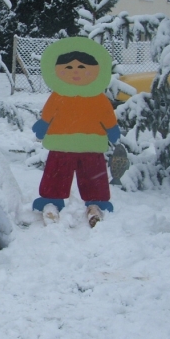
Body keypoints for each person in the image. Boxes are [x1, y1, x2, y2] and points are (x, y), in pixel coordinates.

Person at [31, 37, 120, 227]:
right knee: (56, 172)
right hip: (61, 143)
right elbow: (48, 114)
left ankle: (95, 205)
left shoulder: (97, 97)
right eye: (69, 68)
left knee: (93, 174)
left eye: (82, 68)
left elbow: (107, 115)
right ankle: (51, 202)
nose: (75, 73)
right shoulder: (59, 96)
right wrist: (43, 126)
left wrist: (112, 129)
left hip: (91, 144)